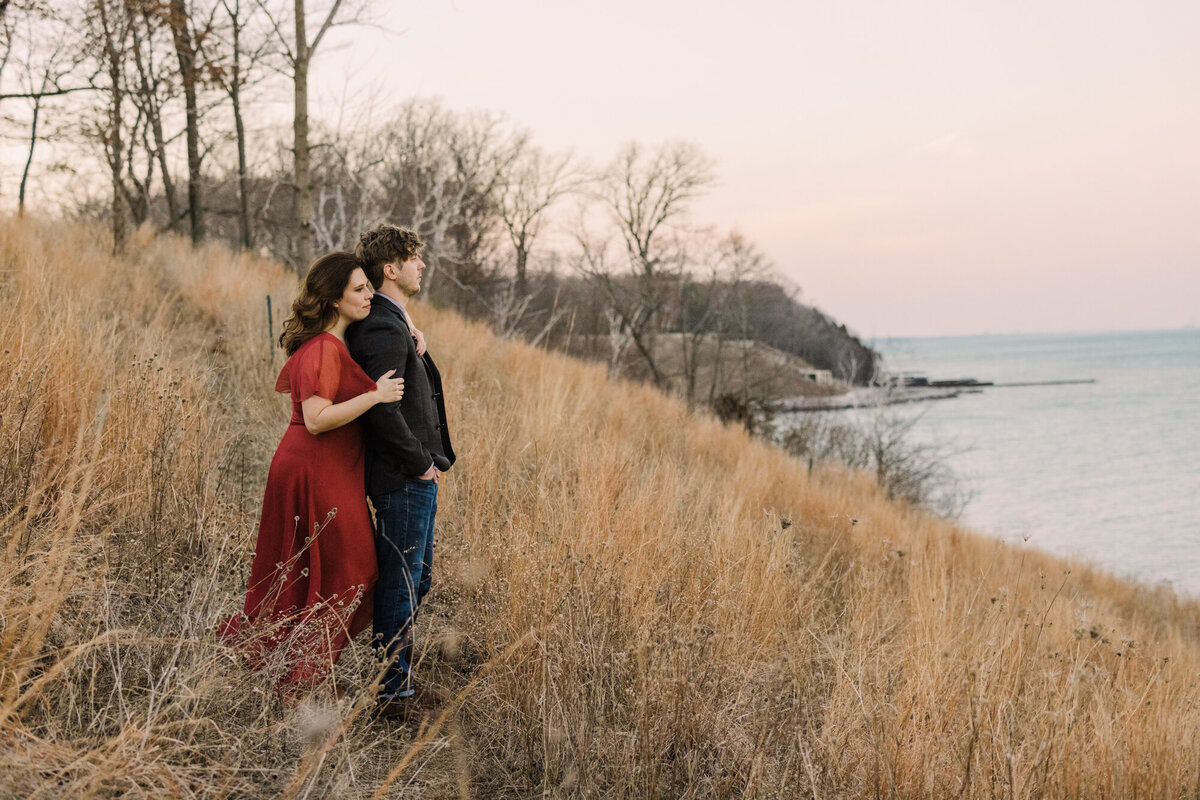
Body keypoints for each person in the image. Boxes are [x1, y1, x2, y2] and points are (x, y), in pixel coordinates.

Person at [221, 252, 405, 692]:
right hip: (314, 468)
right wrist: (376, 396)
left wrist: (411, 329)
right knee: (353, 570)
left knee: (314, 570)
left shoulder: (334, 344)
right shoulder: (322, 348)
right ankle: (302, 678)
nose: (369, 295)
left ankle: (299, 669)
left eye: (369, 287)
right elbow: (318, 418)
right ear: (334, 299)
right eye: (359, 289)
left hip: (322, 468)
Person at [347, 224, 454, 716]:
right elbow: (379, 407)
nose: (422, 265)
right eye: (414, 258)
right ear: (390, 268)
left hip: (413, 475)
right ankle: (393, 694)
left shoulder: (395, 324)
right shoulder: (383, 328)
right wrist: (420, 465)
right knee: (403, 580)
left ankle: (396, 679)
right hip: (403, 477)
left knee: (417, 577)